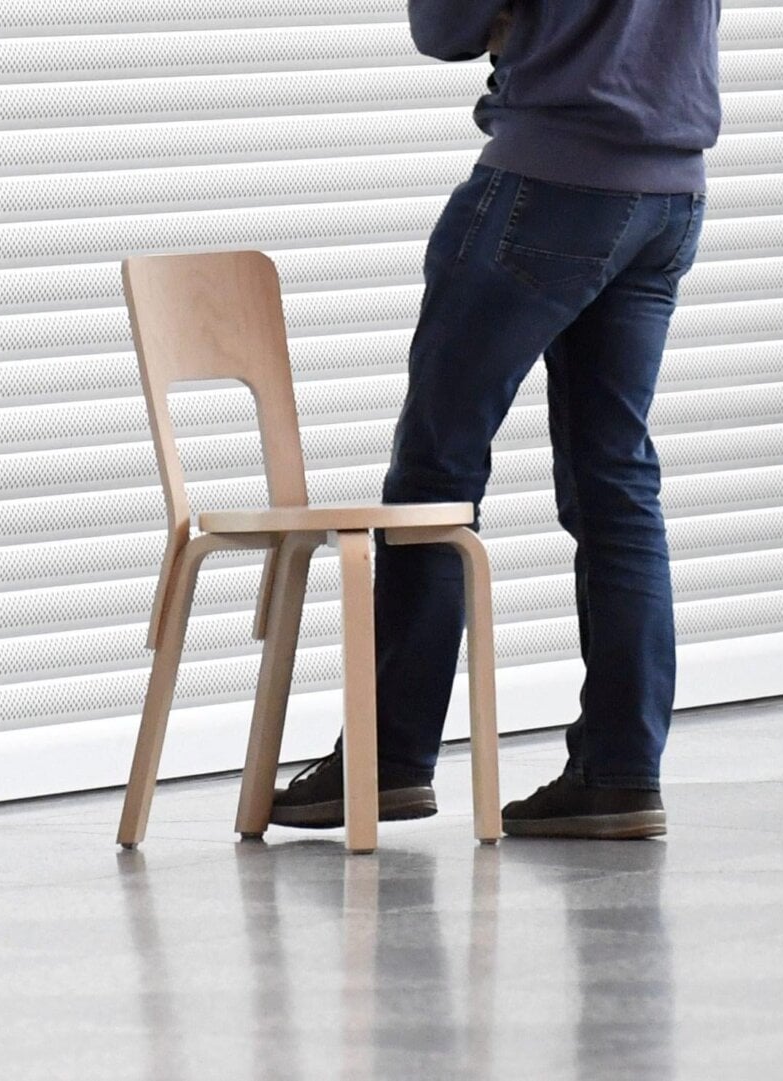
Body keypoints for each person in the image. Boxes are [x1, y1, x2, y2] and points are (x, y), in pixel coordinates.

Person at [270, 0, 724, 839]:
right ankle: (621, 774)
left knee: (435, 474)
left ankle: (389, 761)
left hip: (550, 182)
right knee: (616, 479)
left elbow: (445, 26)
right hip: (671, 188)